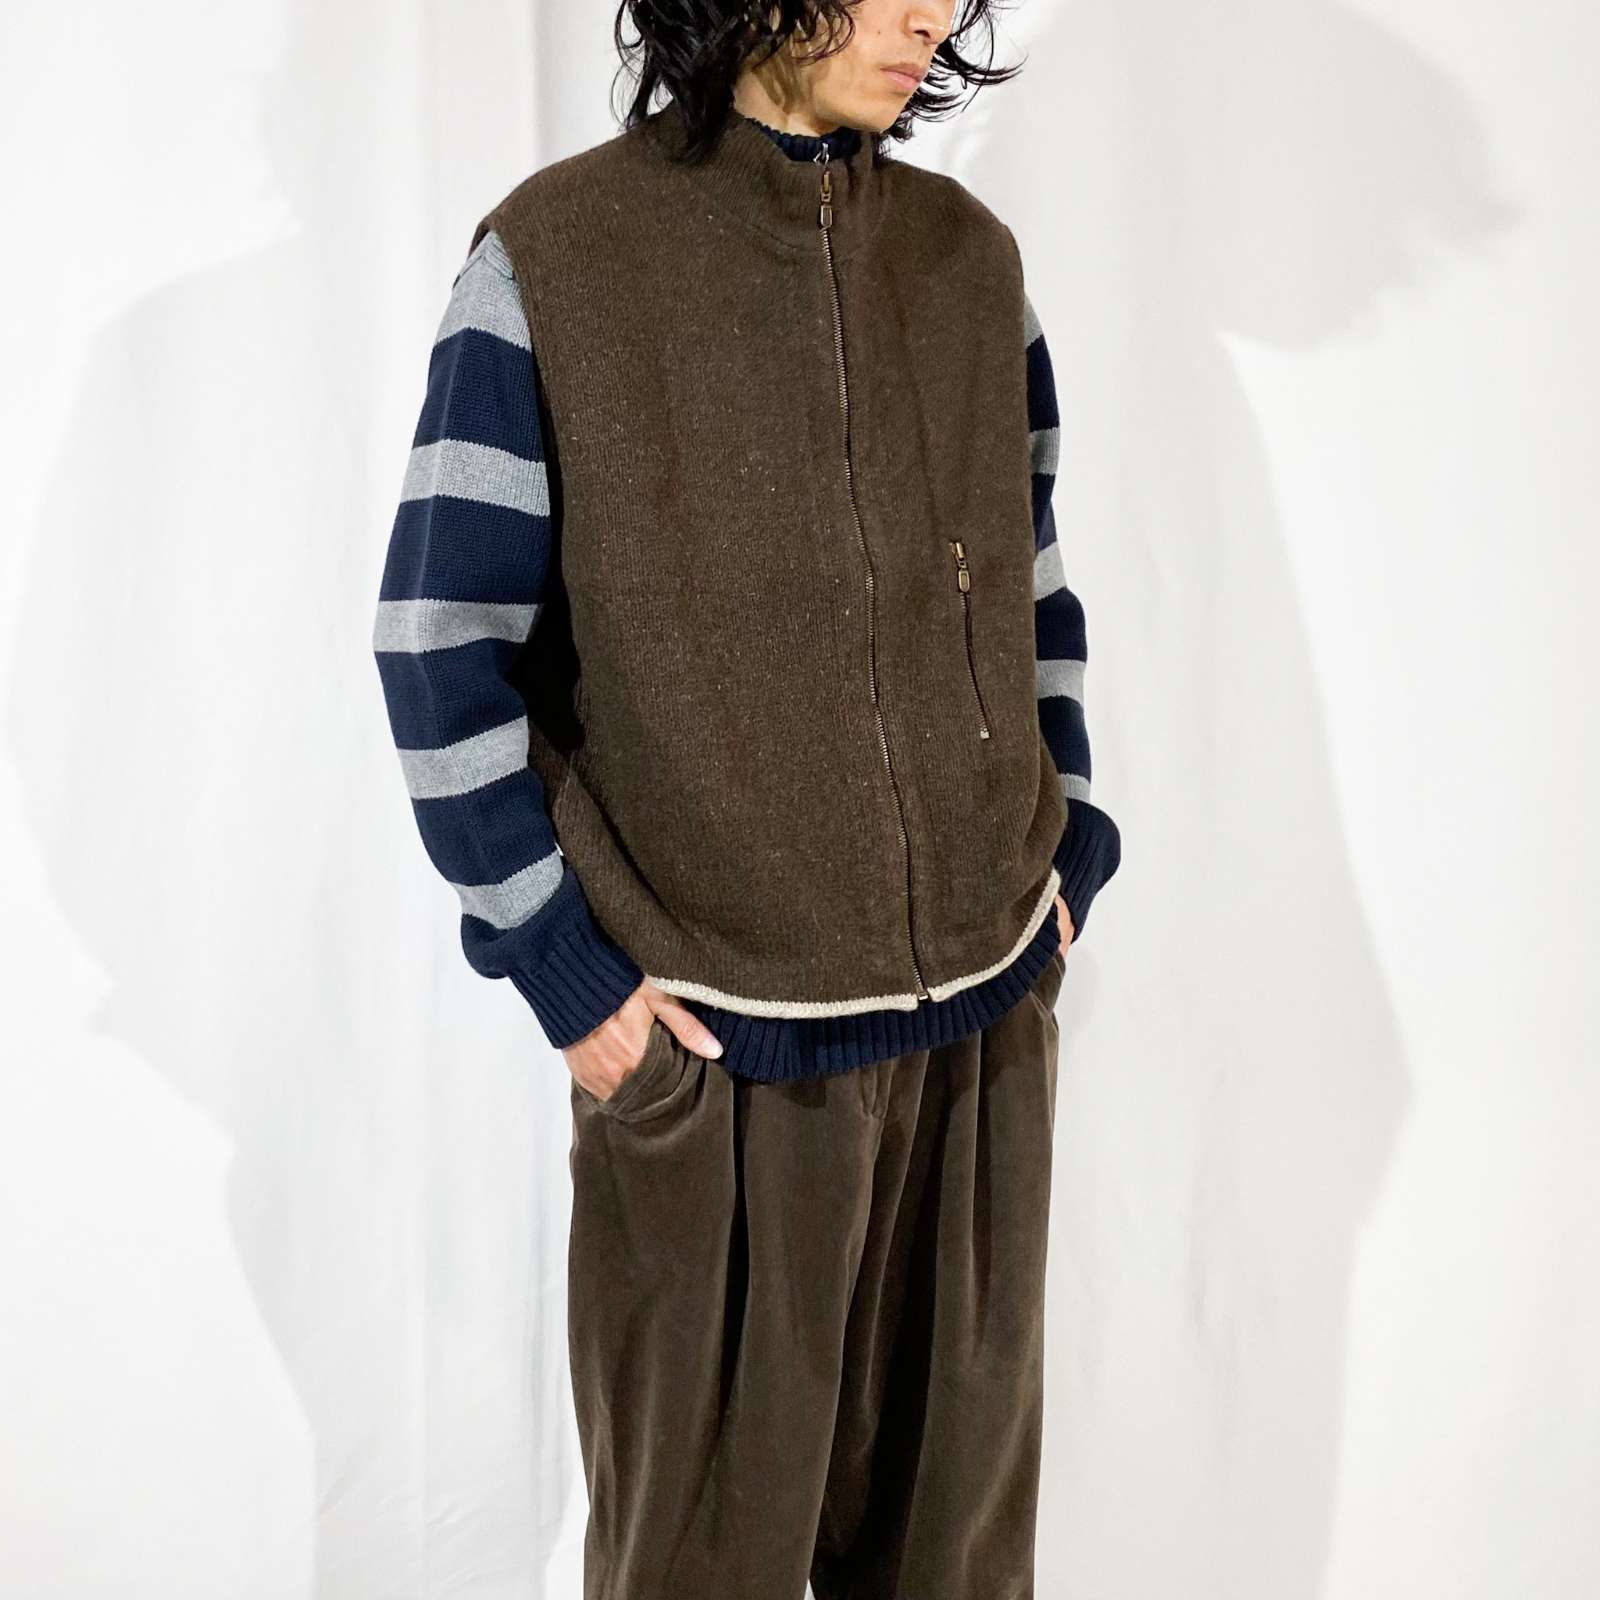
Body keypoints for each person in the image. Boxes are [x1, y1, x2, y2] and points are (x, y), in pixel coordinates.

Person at [373, 1, 1121, 1593]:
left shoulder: (970, 264)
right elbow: (439, 644)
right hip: (718, 1064)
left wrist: (1064, 840)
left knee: (958, 1570)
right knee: (696, 1570)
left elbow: (1033, 584)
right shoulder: (558, 261)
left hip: (983, 1047)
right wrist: (566, 971)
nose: (928, 14)